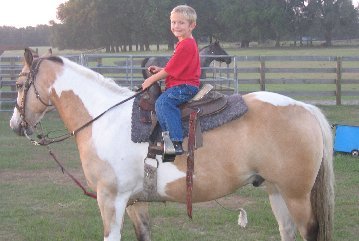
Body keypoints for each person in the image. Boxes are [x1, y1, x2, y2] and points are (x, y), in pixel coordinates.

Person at [142, 5, 201, 157]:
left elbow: (170, 71)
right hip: (182, 82)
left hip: (185, 86)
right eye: (173, 22)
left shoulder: (186, 44)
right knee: (162, 102)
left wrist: (151, 80)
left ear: (192, 25)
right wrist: (160, 69)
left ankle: (175, 142)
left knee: (163, 103)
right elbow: (177, 67)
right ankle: (166, 138)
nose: (176, 26)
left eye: (181, 23)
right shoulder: (184, 42)